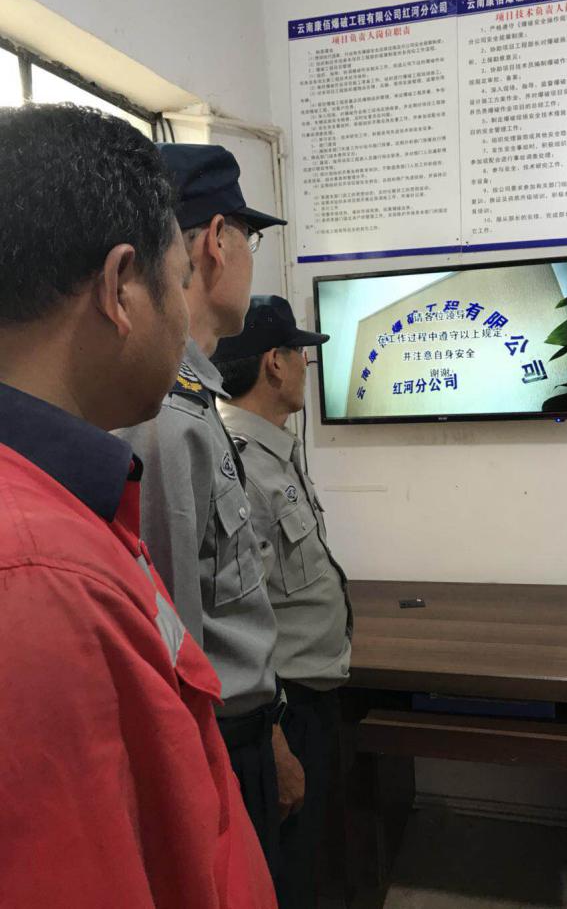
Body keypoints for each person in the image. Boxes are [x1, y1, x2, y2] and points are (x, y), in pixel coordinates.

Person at [0, 104, 275, 909]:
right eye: (179, 280)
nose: (186, 313)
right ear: (123, 287)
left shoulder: (71, 500)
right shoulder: (41, 579)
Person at [117, 144, 303, 892]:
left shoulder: (196, 401)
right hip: (219, 746)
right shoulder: (165, 419)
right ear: (217, 241)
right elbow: (176, 654)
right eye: (251, 239)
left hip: (246, 730)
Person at [212, 296, 353, 909]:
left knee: (310, 854)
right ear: (275, 362)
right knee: (288, 873)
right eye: (300, 354)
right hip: (284, 710)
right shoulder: (237, 466)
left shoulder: (276, 448)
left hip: (312, 694)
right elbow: (233, 621)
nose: (304, 367)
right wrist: (273, 741)